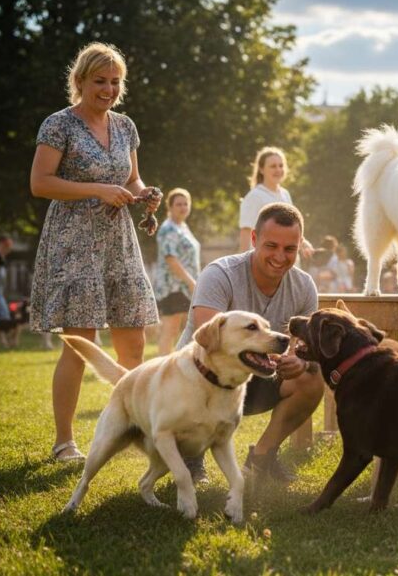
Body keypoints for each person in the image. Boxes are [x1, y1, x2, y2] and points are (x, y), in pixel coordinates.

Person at [29, 43, 161, 462]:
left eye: (115, 82)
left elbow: (133, 178)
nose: (108, 89)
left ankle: (130, 430)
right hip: (74, 241)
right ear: (80, 80)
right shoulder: (59, 124)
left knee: (134, 341)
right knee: (80, 343)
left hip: (119, 241)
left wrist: (145, 195)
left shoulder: (125, 127)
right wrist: (97, 189)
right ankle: (64, 442)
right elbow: (41, 183)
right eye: (99, 81)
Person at [178, 203, 324, 485]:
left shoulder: (304, 286)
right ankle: (190, 455)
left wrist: (300, 361)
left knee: (311, 379)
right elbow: (209, 344)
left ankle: (262, 458)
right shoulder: (220, 274)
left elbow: (309, 349)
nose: (280, 257)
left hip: (262, 373)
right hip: (203, 376)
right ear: (254, 239)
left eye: (290, 249)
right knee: (203, 367)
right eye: (271, 246)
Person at [238, 147, 313, 258]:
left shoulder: (285, 194)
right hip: (264, 263)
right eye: (273, 166)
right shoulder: (254, 196)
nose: (278, 169)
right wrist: (242, 268)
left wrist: (304, 243)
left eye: (281, 165)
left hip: (287, 261)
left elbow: (291, 227)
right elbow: (245, 232)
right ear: (261, 169)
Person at [154, 188, 201, 356]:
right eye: (178, 204)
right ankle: (162, 369)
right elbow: (171, 259)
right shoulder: (169, 229)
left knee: (181, 330)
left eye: (185, 204)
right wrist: (191, 283)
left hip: (184, 288)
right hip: (173, 287)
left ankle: (176, 365)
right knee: (170, 330)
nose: (183, 207)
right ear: (170, 207)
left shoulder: (182, 226)